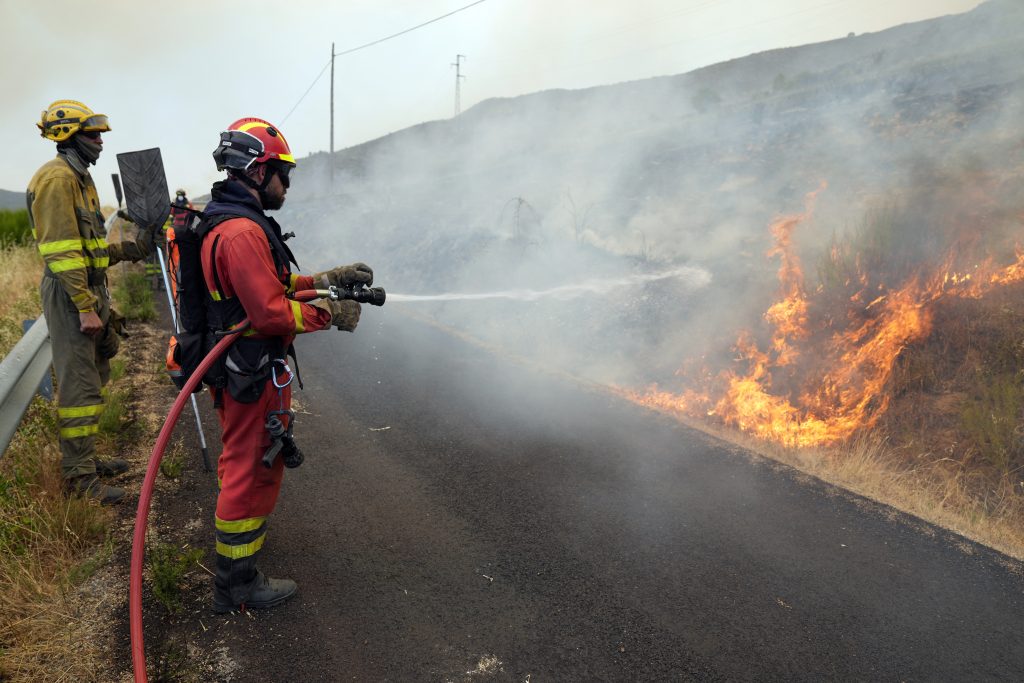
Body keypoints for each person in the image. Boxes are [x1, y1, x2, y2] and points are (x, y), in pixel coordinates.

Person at [198, 117, 372, 613]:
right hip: (252, 372)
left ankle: (242, 553)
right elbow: (270, 312)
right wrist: (329, 312)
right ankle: (236, 585)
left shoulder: (234, 224)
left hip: (241, 369)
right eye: (282, 171)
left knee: (245, 466)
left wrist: (323, 279)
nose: (287, 182)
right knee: (250, 470)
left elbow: (269, 288)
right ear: (255, 171)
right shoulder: (240, 234)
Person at [26, 100, 156, 504]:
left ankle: (86, 459)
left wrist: (133, 249)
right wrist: (84, 306)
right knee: (80, 387)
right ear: (68, 136)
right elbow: (63, 254)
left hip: (88, 290)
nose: (100, 141)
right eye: (92, 134)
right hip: (70, 295)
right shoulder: (56, 180)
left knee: (97, 375)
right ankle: (79, 480)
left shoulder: (81, 178)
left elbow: (90, 249)